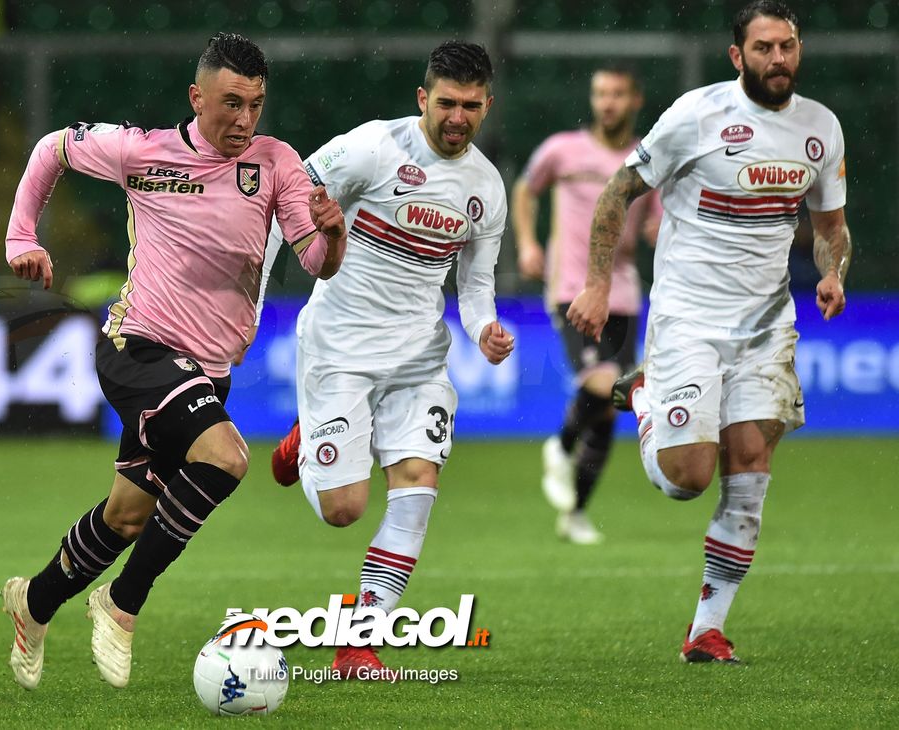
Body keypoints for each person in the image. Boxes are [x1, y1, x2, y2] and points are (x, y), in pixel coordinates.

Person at [0, 33, 347, 690]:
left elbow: (313, 260)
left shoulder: (276, 164)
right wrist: (22, 235)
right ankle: (122, 603)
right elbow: (53, 148)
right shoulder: (142, 150)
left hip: (208, 372)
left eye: (256, 105)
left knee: (127, 516)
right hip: (138, 346)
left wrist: (332, 233)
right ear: (197, 96)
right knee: (226, 457)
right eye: (231, 103)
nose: (245, 120)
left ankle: (34, 603)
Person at [568, 0, 850, 662]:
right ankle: (641, 395)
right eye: (763, 48)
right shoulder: (698, 115)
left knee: (750, 465)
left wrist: (833, 274)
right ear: (737, 56)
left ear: (798, 49)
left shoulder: (820, 129)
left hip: (766, 325)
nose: (777, 58)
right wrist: (599, 282)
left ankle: (706, 629)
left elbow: (831, 229)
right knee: (686, 478)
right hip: (689, 318)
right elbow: (618, 192)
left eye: (787, 46)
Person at [261, 41, 513, 678]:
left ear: (487, 106)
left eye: (472, 106)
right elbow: (288, 194)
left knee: (416, 488)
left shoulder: (485, 187)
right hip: (339, 350)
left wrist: (485, 329)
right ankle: (301, 443)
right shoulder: (373, 147)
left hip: (419, 359)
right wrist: (250, 296)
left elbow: (476, 284)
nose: (459, 117)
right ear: (424, 99)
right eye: (448, 103)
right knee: (344, 510)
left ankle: (360, 639)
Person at [512, 65, 662, 545]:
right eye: (600, 93)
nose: (607, 103)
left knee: (608, 405)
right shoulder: (562, 150)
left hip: (624, 291)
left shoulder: (647, 159)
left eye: (617, 93)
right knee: (600, 383)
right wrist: (528, 245)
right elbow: (525, 190)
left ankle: (574, 511)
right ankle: (558, 446)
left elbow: (657, 225)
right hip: (572, 288)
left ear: (635, 99)